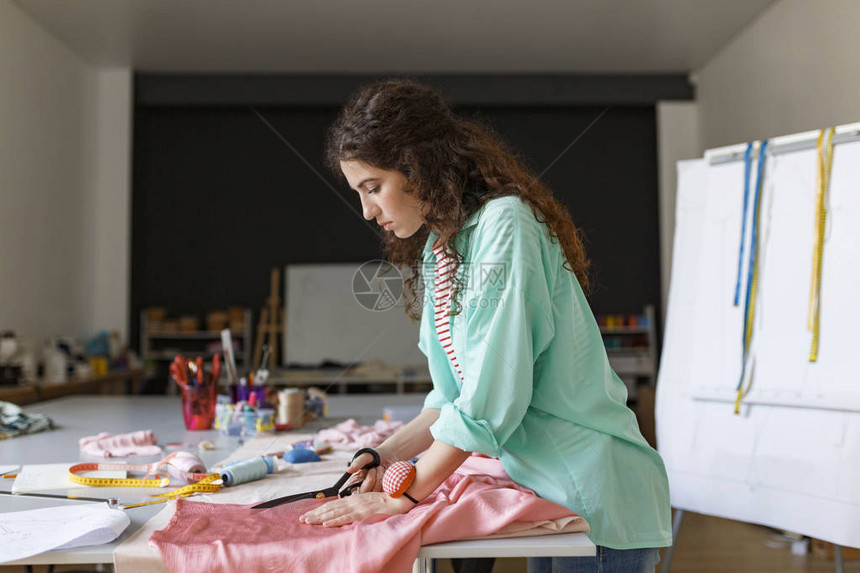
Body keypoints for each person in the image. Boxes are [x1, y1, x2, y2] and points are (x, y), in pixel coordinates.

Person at [299, 80, 672, 572]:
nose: (367, 211)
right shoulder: (441, 251)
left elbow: (492, 400)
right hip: (547, 492)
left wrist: (406, 495)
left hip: (592, 488)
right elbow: (451, 400)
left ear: (417, 165)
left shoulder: (506, 224)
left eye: (373, 187)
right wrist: (381, 455)